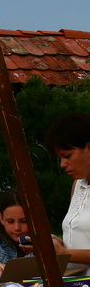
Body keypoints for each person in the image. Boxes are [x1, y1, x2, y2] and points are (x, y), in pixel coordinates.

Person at [47, 114, 90, 272]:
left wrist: (65, 253)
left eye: (67, 156)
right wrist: (56, 243)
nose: (63, 164)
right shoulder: (77, 185)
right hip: (76, 284)